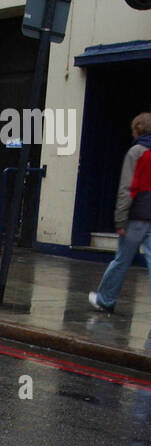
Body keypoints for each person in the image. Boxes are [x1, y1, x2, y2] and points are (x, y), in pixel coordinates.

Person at [89, 112, 151, 315]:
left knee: (122, 260)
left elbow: (128, 188)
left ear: (137, 130)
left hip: (137, 216)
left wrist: (120, 219)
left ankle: (105, 300)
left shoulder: (137, 152)